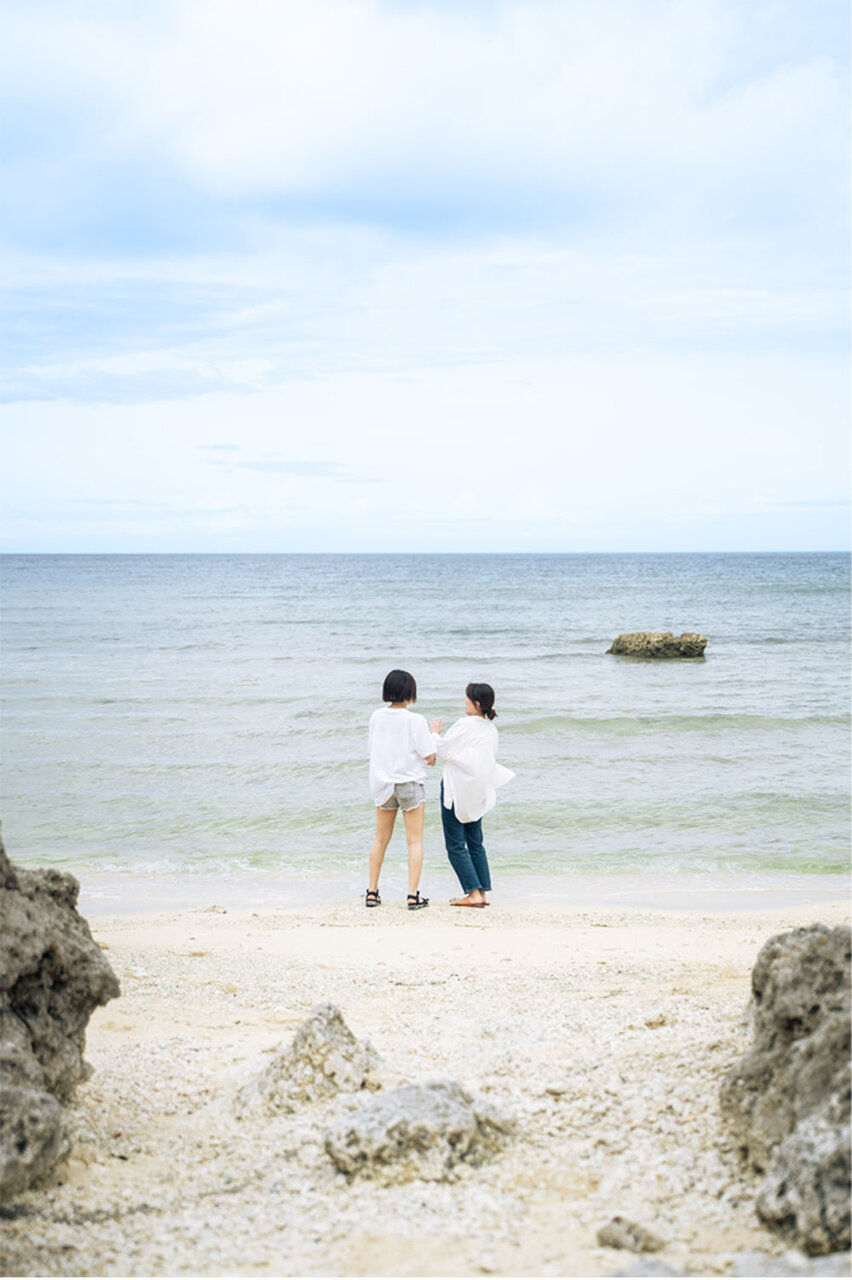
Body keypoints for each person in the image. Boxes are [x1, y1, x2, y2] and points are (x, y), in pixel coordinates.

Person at [430, 682, 514, 908]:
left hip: (457, 787)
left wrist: (434, 733)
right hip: (478, 789)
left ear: (476, 703)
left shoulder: (465, 724)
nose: (464, 701)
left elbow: (442, 750)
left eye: (467, 698)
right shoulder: (491, 729)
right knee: (475, 842)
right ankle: (482, 892)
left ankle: (473, 893)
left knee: (455, 845)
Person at [366, 669, 435, 910]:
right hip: (409, 783)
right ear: (410, 692)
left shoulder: (376, 716)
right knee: (414, 841)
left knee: (380, 839)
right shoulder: (415, 720)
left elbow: (373, 748)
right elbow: (429, 756)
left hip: (383, 784)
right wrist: (434, 735)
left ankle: (372, 892)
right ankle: (413, 895)